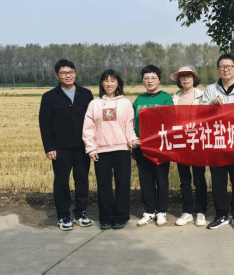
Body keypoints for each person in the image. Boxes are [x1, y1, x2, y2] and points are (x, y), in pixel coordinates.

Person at [39, 59, 94, 231]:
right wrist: (49, 147)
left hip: (82, 146)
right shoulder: (49, 97)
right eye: (63, 73)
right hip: (60, 148)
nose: (68, 76)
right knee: (61, 181)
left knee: (82, 180)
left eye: (71, 72)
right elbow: (45, 124)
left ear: (75, 73)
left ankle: (80, 213)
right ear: (57, 76)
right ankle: (63, 216)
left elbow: (93, 120)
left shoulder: (86, 94)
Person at [83, 70, 139, 230]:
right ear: (101, 83)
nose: (109, 84)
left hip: (122, 150)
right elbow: (88, 127)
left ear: (118, 83)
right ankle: (106, 217)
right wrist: (91, 148)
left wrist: (133, 141)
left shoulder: (125, 103)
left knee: (123, 184)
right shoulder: (94, 104)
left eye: (113, 80)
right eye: (106, 80)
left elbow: (129, 126)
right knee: (104, 186)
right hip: (101, 151)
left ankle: (121, 217)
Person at [201, 54, 234, 230]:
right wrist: (211, 104)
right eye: (222, 67)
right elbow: (201, 113)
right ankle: (221, 214)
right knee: (218, 181)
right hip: (217, 142)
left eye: (229, 66)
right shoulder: (210, 90)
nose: (226, 69)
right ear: (218, 70)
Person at [133, 65, 174, 227]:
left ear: (159, 80)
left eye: (153, 78)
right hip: (142, 146)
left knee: (161, 178)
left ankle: (161, 211)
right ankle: (149, 211)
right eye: (146, 78)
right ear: (143, 81)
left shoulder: (165, 98)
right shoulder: (139, 100)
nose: (150, 81)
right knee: (145, 179)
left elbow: (171, 120)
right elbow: (132, 122)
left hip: (160, 146)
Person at [170, 65, 207, 228]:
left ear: (194, 78)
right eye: (182, 76)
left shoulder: (203, 95)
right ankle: (187, 211)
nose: (185, 79)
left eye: (188, 76)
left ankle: (200, 211)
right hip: (181, 142)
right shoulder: (174, 98)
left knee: (199, 178)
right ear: (179, 80)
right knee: (184, 179)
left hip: (198, 141)